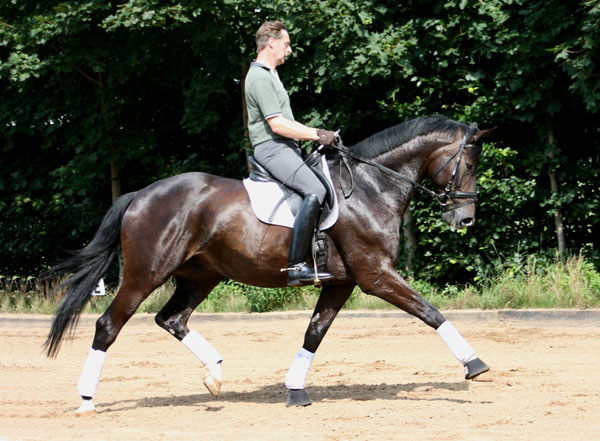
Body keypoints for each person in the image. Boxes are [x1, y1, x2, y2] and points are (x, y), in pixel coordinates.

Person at [244, 20, 337, 286]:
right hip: (272, 148)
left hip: (284, 147)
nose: (290, 50)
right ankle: (296, 266)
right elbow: (277, 124)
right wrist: (318, 133)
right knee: (316, 190)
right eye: (286, 44)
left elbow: (288, 122)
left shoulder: (270, 75)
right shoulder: (260, 77)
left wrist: (316, 134)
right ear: (271, 43)